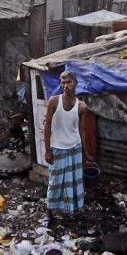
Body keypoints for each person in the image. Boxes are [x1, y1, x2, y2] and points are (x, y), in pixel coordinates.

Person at [44, 71, 90, 226]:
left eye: (68, 82)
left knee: (74, 183)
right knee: (55, 183)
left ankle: (70, 211)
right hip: (57, 148)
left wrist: (86, 153)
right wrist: (47, 150)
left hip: (74, 148)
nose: (65, 86)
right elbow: (47, 127)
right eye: (62, 83)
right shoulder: (54, 101)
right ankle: (49, 213)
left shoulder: (82, 106)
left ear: (75, 83)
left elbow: (81, 130)